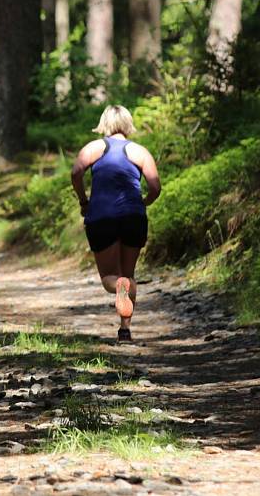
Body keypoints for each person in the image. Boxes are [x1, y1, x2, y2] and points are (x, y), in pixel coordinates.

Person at [70, 105, 161, 343]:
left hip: (102, 216)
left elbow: (75, 173)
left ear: (105, 123)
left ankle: (117, 287)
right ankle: (125, 330)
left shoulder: (95, 147)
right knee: (129, 275)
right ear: (128, 123)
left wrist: (83, 200)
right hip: (133, 217)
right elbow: (155, 187)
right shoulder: (140, 151)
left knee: (110, 277)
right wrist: (143, 202)